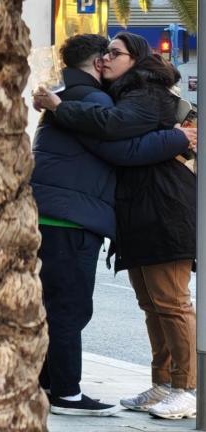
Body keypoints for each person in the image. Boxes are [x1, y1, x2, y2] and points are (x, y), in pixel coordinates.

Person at [35, 32, 201, 420]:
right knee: (152, 304)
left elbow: (115, 134)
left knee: (172, 303)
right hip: (136, 211)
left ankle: (188, 387)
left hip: (164, 208)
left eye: (116, 53)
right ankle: (163, 383)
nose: (107, 60)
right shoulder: (114, 94)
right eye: (104, 53)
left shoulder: (145, 92)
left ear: (136, 59)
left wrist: (176, 139)